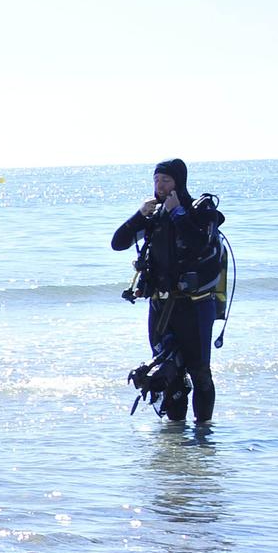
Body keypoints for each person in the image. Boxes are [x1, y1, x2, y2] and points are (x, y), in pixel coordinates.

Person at [111, 158, 226, 423]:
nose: (160, 186)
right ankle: (176, 439)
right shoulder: (154, 215)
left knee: (199, 372)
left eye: (166, 180)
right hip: (161, 307)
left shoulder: (200, 210)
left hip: (195, 305)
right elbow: (118, 243)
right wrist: (139, 216)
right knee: (167, 369)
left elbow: (199, 244)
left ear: (179, 182)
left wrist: (177, 213)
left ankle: (203, 435)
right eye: (156, 180)